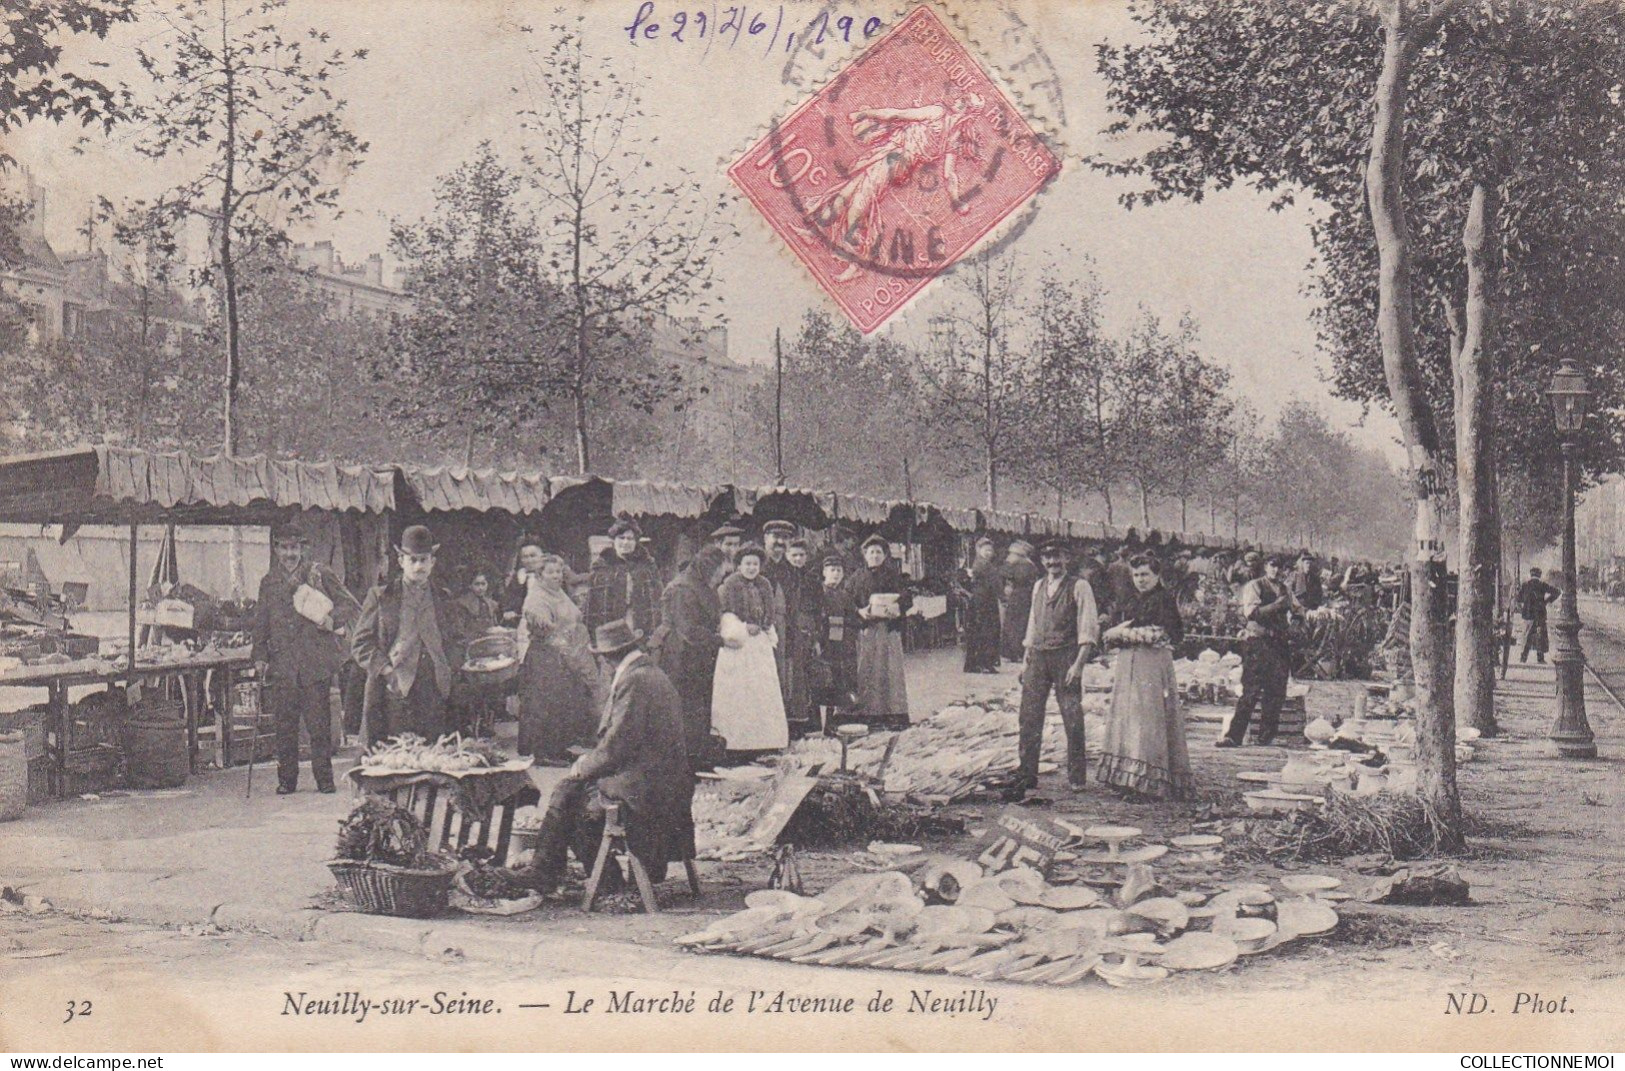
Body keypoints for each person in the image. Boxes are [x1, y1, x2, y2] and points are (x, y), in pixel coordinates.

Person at [516, 621, 695, 896]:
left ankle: (570, 876)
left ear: (608, 658)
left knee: (570, 795)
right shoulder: (649, 673)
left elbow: (618, 746)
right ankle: (556, 872)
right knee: (571, 792)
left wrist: (583, 766)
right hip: (661, 778)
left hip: (646, 786)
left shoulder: (634, 680)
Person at [251, 518, 361, 795]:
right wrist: (260, 656)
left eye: (294, 548)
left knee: (319, 727)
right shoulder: (269, 583)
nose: (290, 554)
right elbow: (261, 623)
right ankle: (287, 781)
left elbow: (350, 605)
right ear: (276, 549)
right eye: (284, 548)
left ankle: (324, 780)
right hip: (283, 666)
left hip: (315, 666)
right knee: (284, 727)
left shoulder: (319, 575)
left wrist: (330, 619)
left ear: (302, 549)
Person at [352, 525, 471, 745]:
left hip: (436, 688)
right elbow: (361, 644)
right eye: (412, 560)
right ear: (400, 561)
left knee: (436, 756)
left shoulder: (444, 599)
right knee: (397, 757)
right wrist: (386, 670)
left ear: (432, 562)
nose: (418, 566)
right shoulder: (381, 597)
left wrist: (449, 667)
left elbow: (458, 640)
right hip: (396, 690)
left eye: (424, 560)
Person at [1097, 553, 1191, 799]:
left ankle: (1148, 784)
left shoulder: (1163, 599)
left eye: (1145, 575)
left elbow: (1161, 634)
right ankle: (1127, 778)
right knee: (1127, 716)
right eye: (1136, 575)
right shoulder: (1132, 598)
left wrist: (1118, 634)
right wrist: (1117, 632)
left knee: (1147, 718)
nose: (1140, 580)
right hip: (1129, 662)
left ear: (1157, 575)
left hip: (1151, 663)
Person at [1014, 541, 1100, 796]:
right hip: (1038, 657)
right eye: (1048, 558)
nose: (1053, 563)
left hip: (1065, 657)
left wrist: (1078, 664)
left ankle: (1077, 777)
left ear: (1067, 558)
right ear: (1042, 561)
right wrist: (1025, 659)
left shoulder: (1079, 586)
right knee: (1028, 717)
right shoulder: (1039, 586)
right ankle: (1027, 774)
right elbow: (1033, 623)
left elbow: (1088, 627)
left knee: (1072, 717)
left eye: (1058, 557)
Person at [515, 549, 595, 764]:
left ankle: (558, 748)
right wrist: (568, 649)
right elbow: (546, 630)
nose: (557, 576)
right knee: (546, 705)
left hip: (563, 654)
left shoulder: (559, 593)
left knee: (563, 703)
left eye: (559, 571)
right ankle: (544, 753)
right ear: (540, 575)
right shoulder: (536, 597)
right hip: (546, 656)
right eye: (551, 572)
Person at [652, 545, 727, 769]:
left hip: (698, 657)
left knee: (698, 708)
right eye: (718, 573)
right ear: (708, 568)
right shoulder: (682, 589)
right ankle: (683, 762)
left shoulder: (702, 585)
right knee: (686, 708)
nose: (720, 578)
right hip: (679, 657)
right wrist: (721, 640)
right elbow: (689, 630)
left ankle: (695, 756)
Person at [712, 545, 789, 752]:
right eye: (747, 564)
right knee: (740, 690)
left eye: (755, 564)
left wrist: (764, 625)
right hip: (739, 642)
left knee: (762, 689)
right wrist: (744, 626)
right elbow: (725, 614)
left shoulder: (764, 584)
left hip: (759, 644)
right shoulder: (729, 585)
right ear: (739, 565)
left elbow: (769, 611)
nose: (751, 568)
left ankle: (764, 740)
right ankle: (737, 742)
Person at [1218, 554, 1298, 748]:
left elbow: (1298, 610)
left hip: (1279, 644)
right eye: (1273, 566)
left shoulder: (1286, 590)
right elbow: (1252, 613)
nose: (1277, 570)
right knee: (1251, 690)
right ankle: (1234, 736)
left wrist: (1296, 623)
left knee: (1276, 691)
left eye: (1280, 567)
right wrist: (1277, 605)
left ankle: (1266, 737)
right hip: (1258, 643)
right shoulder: (1255, 586)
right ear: (1266, 567)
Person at [848, 534, 913, 727]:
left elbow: (907, 598)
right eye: (871, 552)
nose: (875, 556)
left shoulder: (894, 575)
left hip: (888, 631)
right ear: (865, 555)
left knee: (889, 670)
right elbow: (846, 600)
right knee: (866, 670)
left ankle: (892, 713)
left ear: (885, 555)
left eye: (879, 552)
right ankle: (867, 713)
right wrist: (859, 611)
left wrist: (897, 608)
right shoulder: (856, 577)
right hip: (866, 630)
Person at [587, 515, 662, 636]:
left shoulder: (647, 566)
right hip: (611, 627)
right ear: (614, 540)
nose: (625, 542)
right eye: (621, 538)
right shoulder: (601, 567)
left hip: (639, 624)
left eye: (630, 538)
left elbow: (657, 602)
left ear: (636, 541)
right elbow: (592, 607)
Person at [779, 538, 823, 733]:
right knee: (792, 677)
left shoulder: (812, 579)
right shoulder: (785, 577)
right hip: (790, 630)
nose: (798, 559)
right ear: (787, 556)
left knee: (810, 675)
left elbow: (819, 608)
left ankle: (811, 725)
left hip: (809, 630)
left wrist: (816, 635)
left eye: (801, 555)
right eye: (794, 555)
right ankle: (794, 725)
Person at [813, 555, 859, 729]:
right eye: (832, 570)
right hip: (824, 642)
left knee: (839, 681)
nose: (836, 574)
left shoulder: (844, 595)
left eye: (839, 570)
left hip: (841, 644)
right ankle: (817, 725)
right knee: (822, 681)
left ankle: (833, 723)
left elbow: (853, 617)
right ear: (824, 572)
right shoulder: (819, 593)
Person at [958, 537, 1002, 674]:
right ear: (978, 550)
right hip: (983, 602)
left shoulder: (980, 563)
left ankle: (976, 664)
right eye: (986, 550)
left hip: (982, 601)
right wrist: (1003, 596)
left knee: (980, 632)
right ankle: (984, 663)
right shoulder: (984, 565)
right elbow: (995, 583)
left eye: (990, 550)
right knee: (987, 632)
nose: (989, 553)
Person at [999, 540, 1041, 663]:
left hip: (1020, 597)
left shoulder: (1023, 565)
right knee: (1018, 624)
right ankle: (1015, 652)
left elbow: (1008, 577)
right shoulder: (1029, 565)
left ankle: (1014, 652)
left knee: (1016, 625)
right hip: (1022, 597)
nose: (1010, 556)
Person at [1517, 567, 1562, 663]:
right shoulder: (1542, 585)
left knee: (1526, 636)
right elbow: (1557, 592)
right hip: (1539, 614)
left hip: (1528, 615)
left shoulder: (1525, 585)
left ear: (1531, 574)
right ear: (1539, 575)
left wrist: (1524, 606)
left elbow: (1518, 598)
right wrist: (1546, 601)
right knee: (1540, 637)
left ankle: (1523, 658)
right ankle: (1540, 658)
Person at [1102, 544, 1136, 620]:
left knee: (1114, 618)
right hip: (1126, 596)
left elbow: (1107, 581)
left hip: (1114, 596)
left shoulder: (1112, 566)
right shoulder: (1129, 568)